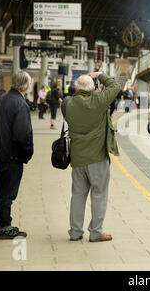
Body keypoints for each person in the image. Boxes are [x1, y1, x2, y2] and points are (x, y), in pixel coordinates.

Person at [61, 72, 120, 242]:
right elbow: (114, 86)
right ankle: (96, 232)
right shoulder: (98, 101)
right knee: (99, 194)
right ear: (93, 88)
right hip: (97, 158)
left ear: (77, 89)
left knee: (78, 195)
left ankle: (75, 232)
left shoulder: (68, 104)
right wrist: (100, 74)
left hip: (77, 158)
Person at [0, 70, 33, 239]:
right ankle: (4, 226)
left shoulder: (3, 99)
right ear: (25, 85)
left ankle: (2, 222)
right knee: (8, 192)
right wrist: (28, 151)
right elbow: (22, 134)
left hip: (0, 152)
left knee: (2, 190)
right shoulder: (20, 104)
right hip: (12, 155)